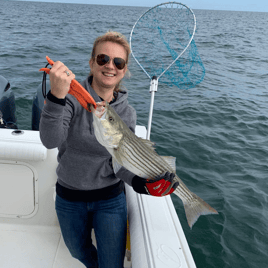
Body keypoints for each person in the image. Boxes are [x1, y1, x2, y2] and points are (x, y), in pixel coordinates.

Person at [39, 31, 178, 268]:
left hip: (109, 199)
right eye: (103, 59)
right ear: (92, 62)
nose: (110, 66)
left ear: (124, 70)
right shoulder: (70, 98)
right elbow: (51, 140)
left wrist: (140, 184)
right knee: (77, 251)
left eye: (118, 62)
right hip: (69, 197)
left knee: (112, 263)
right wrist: (56, 96)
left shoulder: (127, 112)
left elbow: (121, 159)